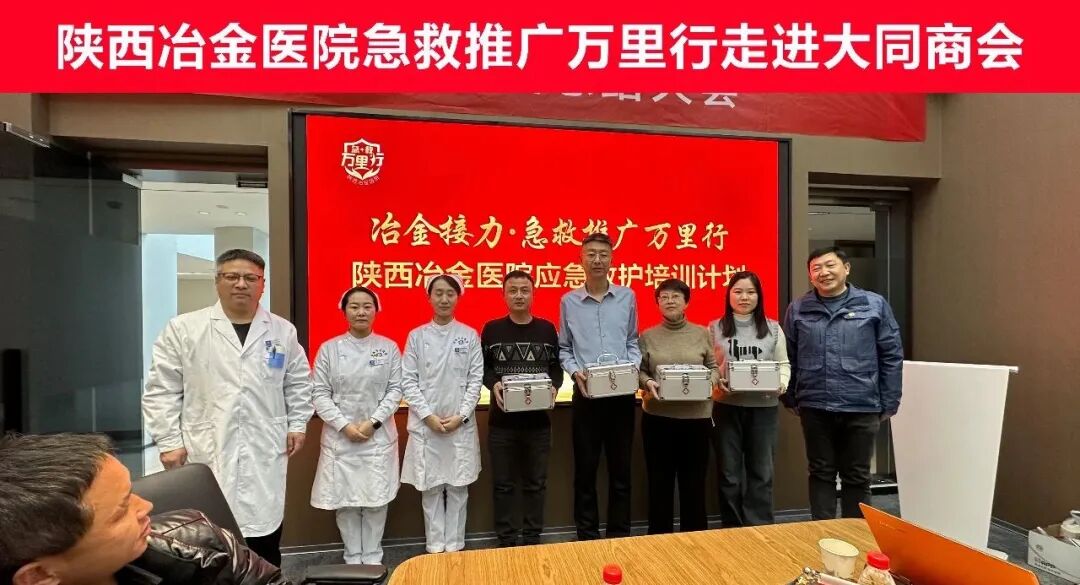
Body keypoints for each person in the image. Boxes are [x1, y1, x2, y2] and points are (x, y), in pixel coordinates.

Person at [143, 248, 314, 566]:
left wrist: (297, 424)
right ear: (217, 281)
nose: (241, 284)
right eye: (232, 276)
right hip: (207, 444)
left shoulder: (282, 331)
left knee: (264, 537)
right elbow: (161, 390)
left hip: (265, 445)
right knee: (210, 537)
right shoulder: (184, 328)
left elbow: (299, 383)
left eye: (251, 278)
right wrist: (168, 441)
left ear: (262, 284)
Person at [0, 433, 286, 585]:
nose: (147, 506)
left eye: (130, 493)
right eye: (121, 511)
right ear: (38, 576)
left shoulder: (197, 543)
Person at [783, 247, 904, 520]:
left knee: (857, 475)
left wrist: (890, 400)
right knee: (820, 472)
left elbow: (891, 354)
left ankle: (856, 533)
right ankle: (822, 532)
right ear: (810, 276)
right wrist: (789, 396)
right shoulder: (798, 308)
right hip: (815, 404)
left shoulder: (874, 304)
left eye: (830, 265)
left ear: (846, 268)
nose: (823, 272)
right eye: (816, 268)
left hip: (861, 404)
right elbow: (789, 355)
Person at [558, 232, 641, 540]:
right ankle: (587, 535)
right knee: (585, 470)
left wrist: (632, 367)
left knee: (621, 471)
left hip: (621, 396)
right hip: (587, 396)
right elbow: (564, 348)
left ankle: (619, 534)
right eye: (591, 254)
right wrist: (575, 372)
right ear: (581, 259)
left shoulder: (627, 297)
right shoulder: (569, 301)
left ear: (612, 260)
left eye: (603, 254)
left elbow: (632, 341)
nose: (597, 260)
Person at [310, 286, 402, 565]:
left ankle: (373, 558)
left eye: (367, 306)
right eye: (354, 306)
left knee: (376, 501)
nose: (361, 312)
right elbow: (319, 393)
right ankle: (352, 557)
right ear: (344, 311)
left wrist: (373, 422)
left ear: (376, 311)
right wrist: (344, 425)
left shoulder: (389, 347)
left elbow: (395, 390)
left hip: (378, 437)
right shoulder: (329, 349)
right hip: (341, 439)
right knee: (346, 503)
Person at [400, 274, 484, 554]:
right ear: (429, 298)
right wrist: (427, 416)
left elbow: (475, 380)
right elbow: (408, 381)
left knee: (459, 488)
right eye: (438, 293)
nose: (444, 299)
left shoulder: (469, 335)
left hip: (460, 425)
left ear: (458, 297)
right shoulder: (416, 336)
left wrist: (462, 415)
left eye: (450, 293)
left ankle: (455, 545)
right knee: (431, 488)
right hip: (427, 425)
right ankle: (435, 547)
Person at [481, 270, 564, 548]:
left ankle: (531, 538)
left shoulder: (547, 329)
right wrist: (493, 384)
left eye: (524, 290)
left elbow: (555, 367)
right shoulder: (491, 329)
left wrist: (554, 386)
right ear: (503, 295)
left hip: (538, 423)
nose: (519, 295)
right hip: (501, 423)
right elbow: (484, 368)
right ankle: (506, 540)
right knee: (503, 485)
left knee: (536, 484)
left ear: (533, 294)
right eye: (513, 290)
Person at [637, 278, 721, 534]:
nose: (669, 301)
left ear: (686, 302)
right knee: (659, 485)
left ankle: (694, 541)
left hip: (696, 420)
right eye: (663, 297)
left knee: (693, 486)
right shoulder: (647, 336)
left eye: (675, 296)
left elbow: (713, 367)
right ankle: (659, 540)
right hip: (658, 419)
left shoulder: (702, 333)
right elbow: (640, 371)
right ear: (657, 303)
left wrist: (709, 382)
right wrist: (647, 382)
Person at [709, 270, 790, 527]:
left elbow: (783, 364)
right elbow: (709, 365)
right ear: (729, 295)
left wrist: (781, 383)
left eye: (750, 292)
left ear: (759, 296)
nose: (744, 297)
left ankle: (759, 527)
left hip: (763, 408)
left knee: (761, 472)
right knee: (728, 473)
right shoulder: (714, 328)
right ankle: (732, 528)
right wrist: (715, 380)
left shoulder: (773, 328)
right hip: (726, 407)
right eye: (738, 291)